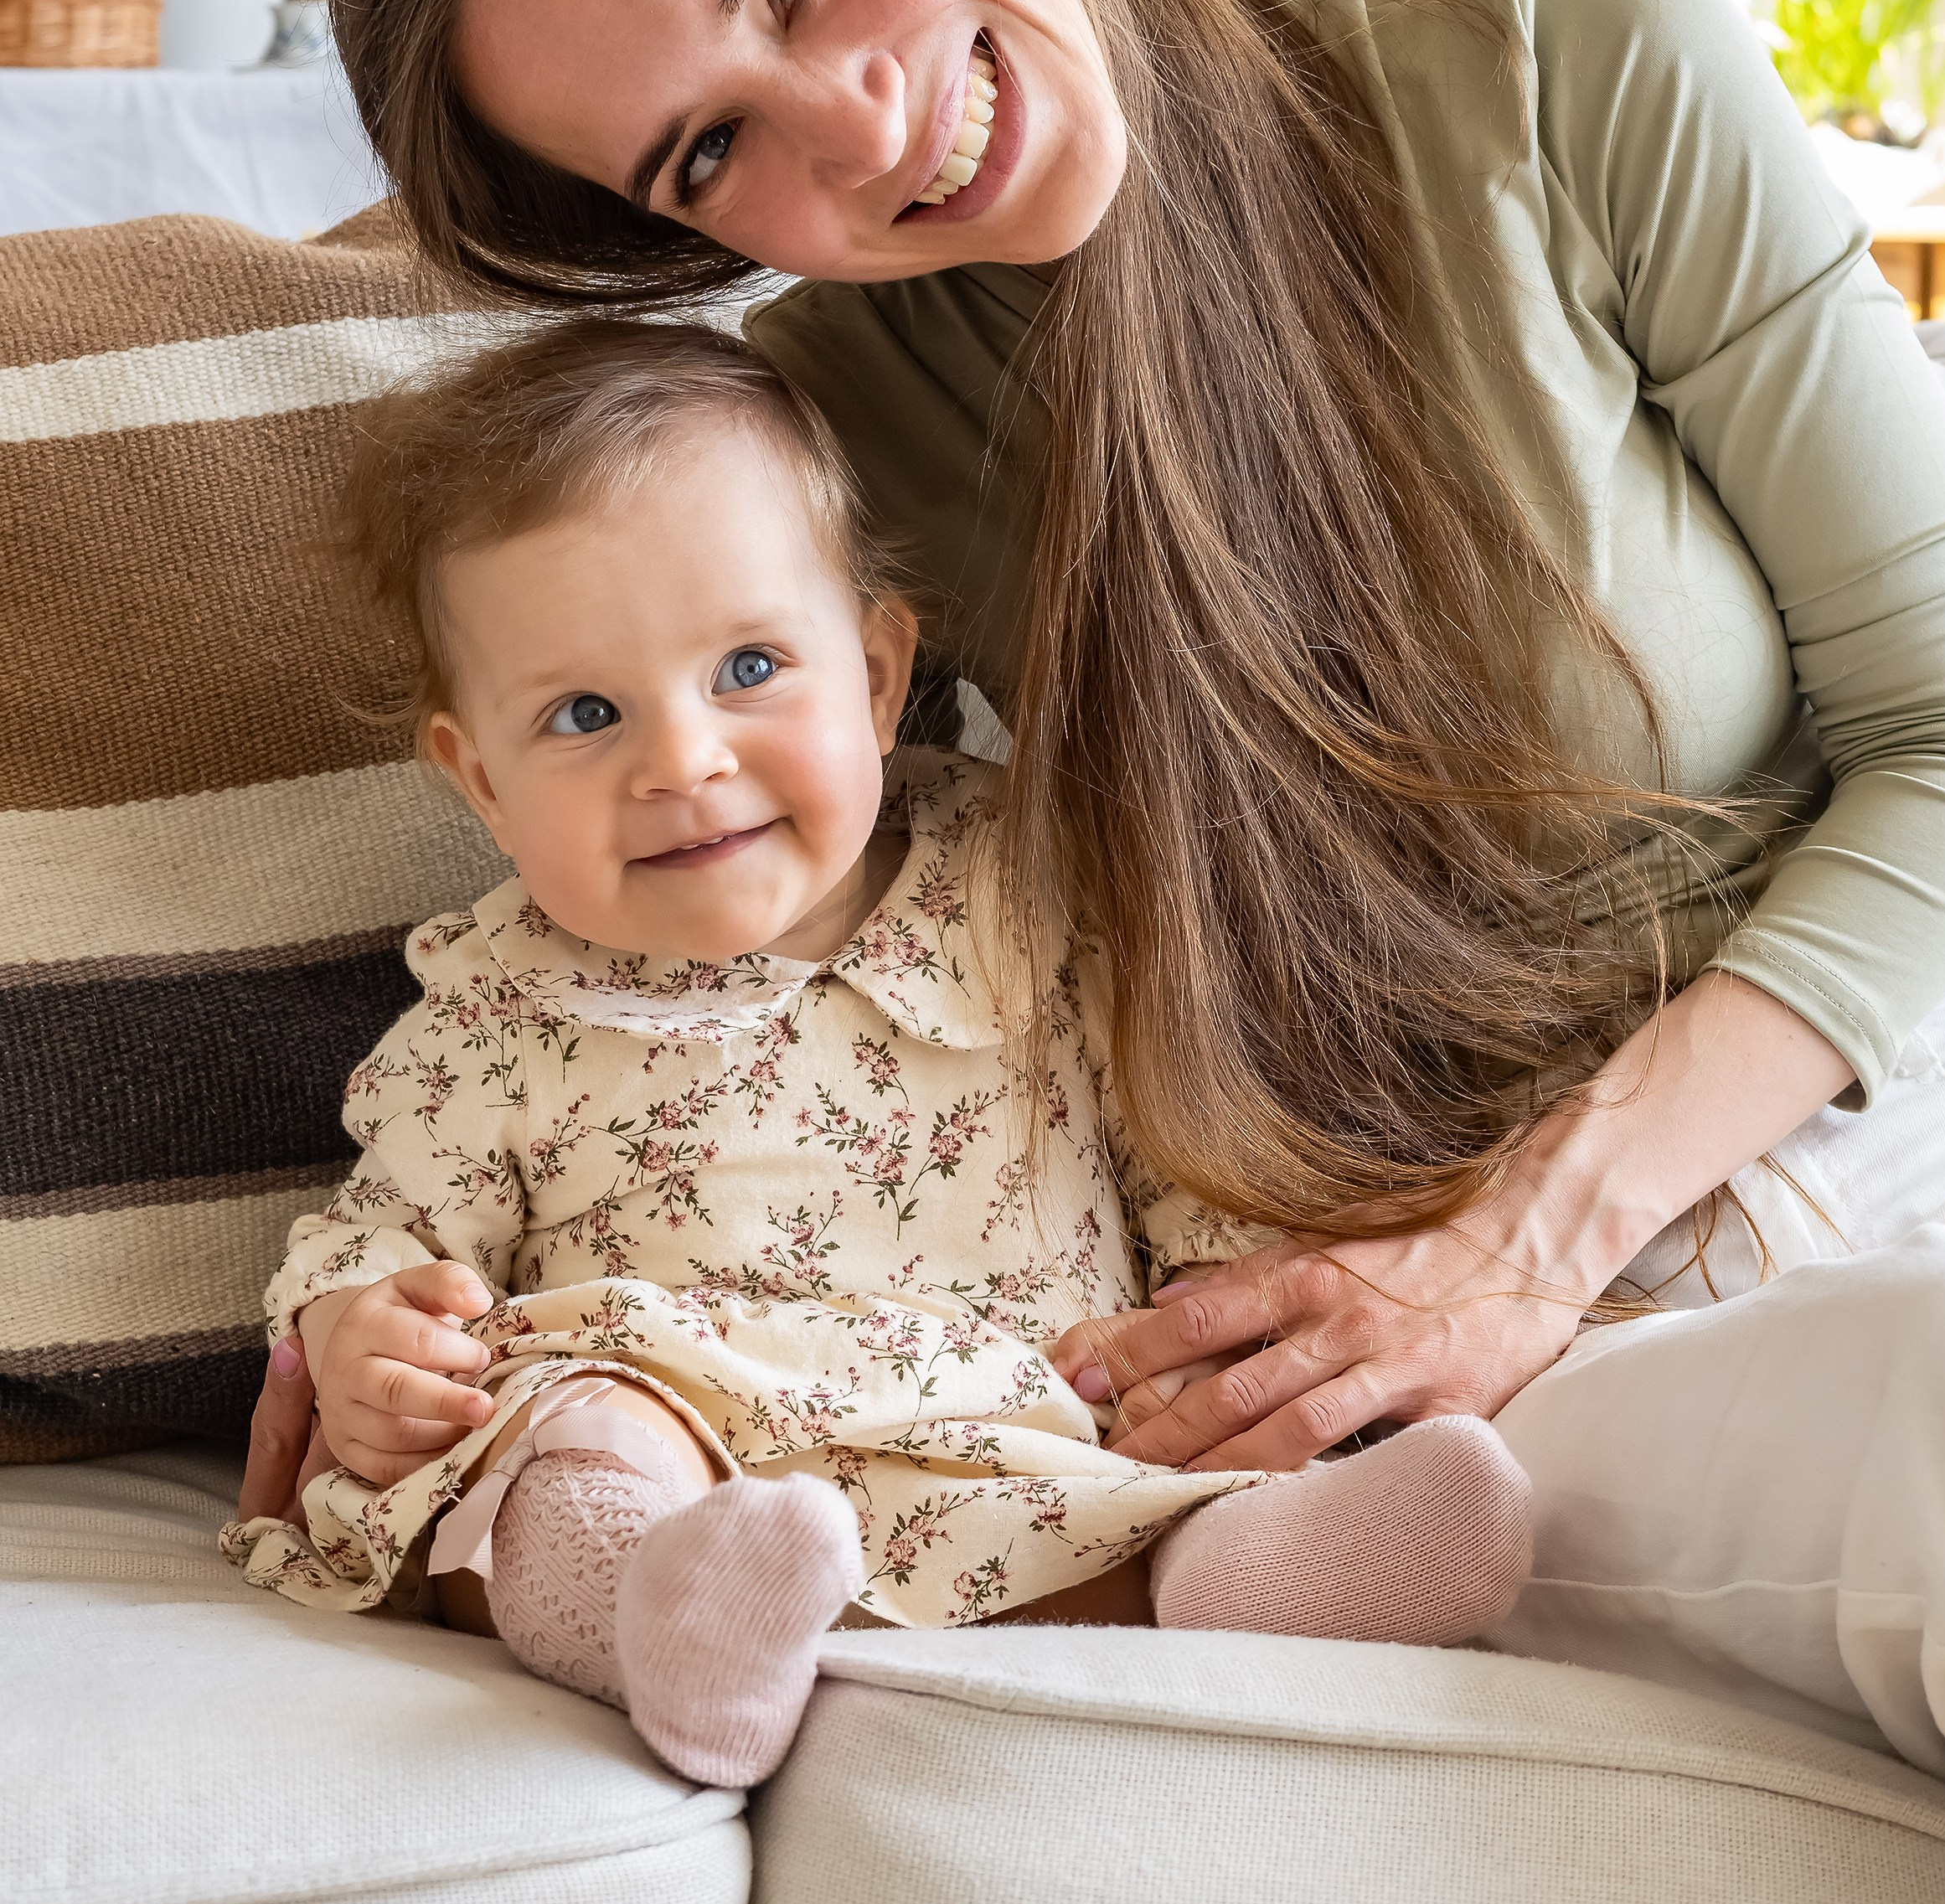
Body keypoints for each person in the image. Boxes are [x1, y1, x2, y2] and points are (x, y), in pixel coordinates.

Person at [285, 0, 1945, 1792]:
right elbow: (740, 912)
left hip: (1882, 1079)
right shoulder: (835, 445)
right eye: (711, 153)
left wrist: (1514, 1245)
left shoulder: (1563, 54)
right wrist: (393, 1338)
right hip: (1509, 1327)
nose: (860, 127)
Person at [226, 317, 1534, 1788]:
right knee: (556, 1456)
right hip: (677, 1440)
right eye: (585, 713)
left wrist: (1234, 1336)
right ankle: (662, 1619)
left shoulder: (1031, 894)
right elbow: (387, 1232)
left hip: (1006, 1423)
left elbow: (1178, 1134)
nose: (682, 760)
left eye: (749, 665)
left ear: (876, 669)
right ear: (480, 779)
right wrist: (359, 1335)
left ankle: (1245, 1572)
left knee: (1142, 1489)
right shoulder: (497, 1009)